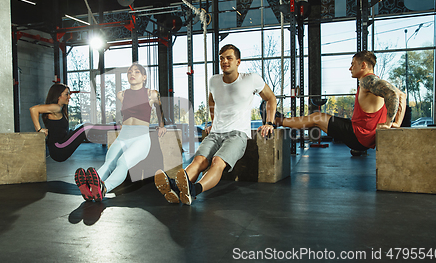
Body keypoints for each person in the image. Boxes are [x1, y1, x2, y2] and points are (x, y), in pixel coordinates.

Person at [154, 44, 277, 205]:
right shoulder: (214, 80)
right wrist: (213, 122)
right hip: (215, 133)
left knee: (217, 162)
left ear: (238, 62)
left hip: (237, 134)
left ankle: (193, 190)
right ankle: (176, 188)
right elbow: (212, 100)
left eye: (229, 58)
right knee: (198, 161)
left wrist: (269, 122)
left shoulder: (251, 78)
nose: (224, 61)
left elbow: (271, 98)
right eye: (221, 58)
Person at [273, 50, 406, 151]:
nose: (350, 68)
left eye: (353, 64)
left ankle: (278, 120)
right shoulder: (376, 82)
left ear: (363, 65)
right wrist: (397, 123)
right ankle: (281, 121)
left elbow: (393, 94)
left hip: (359, 135)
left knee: (317, 118)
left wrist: (389, 123)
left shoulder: (367, 80)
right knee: (318, 120)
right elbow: (402, 96)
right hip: (364, 134)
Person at [75, 63, 167, 202]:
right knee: (109, 163)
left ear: (144, 77)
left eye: (136, 72)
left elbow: (159, 109)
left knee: (122, 163)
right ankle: (89, 188)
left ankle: (104, 188)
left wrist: (161, 125)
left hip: (141, 138)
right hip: (124, 136)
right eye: (130, 72)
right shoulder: (121, 94)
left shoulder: (151, 93)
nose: (132, 74)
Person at [30, 83, 117, 162]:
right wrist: (39, 129)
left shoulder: (58, 108)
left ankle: (114, 126)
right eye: (66, 94)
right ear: (58, 96)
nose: (69, 97)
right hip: (59, 148)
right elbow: (33, 109)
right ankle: (117, 126)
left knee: (83, 128)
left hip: (58, 147)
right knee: (85, 127)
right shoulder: (56, 107)